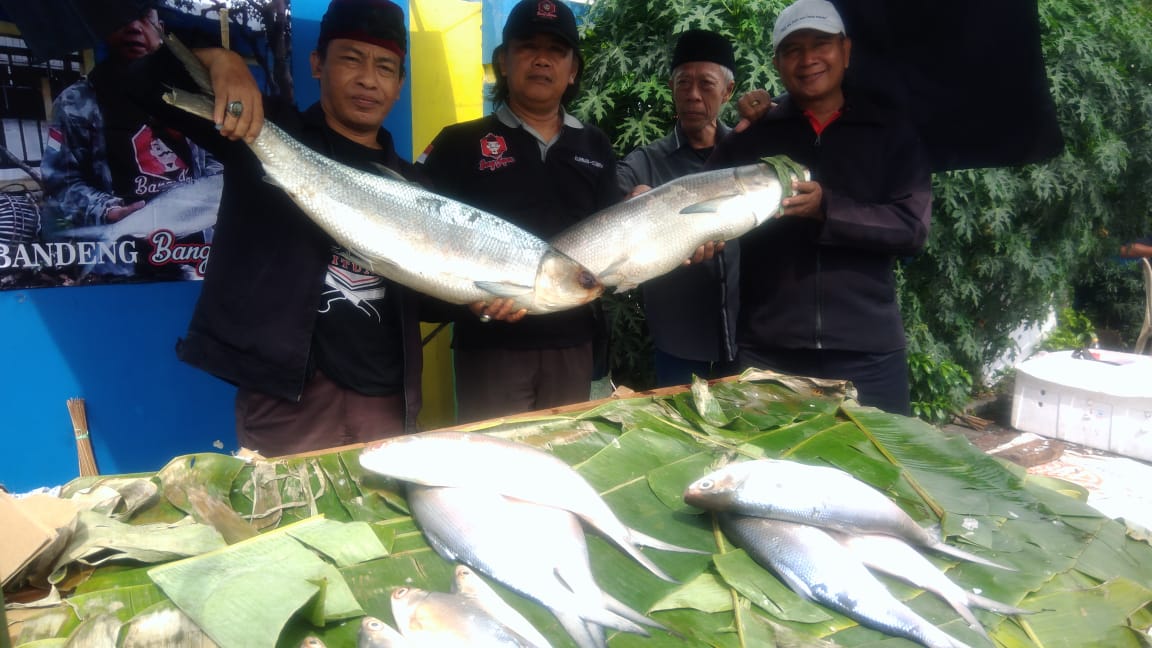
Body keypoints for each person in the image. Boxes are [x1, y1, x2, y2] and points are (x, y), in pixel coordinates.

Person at [120, 0, 516, 455]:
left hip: (384, 399)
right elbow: (140, 84)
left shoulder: (415, 186)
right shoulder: (261, 130)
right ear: (316, 63)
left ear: (400, 82)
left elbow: (422, 296)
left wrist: (481, 301)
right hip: (287, 397)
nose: (369, 79)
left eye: (385, 67)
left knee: (377, 524)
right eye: (351, 58)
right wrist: (220, 60)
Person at [708, 0, 932, 415]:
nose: (808, 59)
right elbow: (705, 209)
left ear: (845, 51)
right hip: (769, 348)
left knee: (874, 472)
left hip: (867, 351)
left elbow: (912, 228)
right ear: (777, 62)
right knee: (768, 470)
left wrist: (828, 209)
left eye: (820, 44)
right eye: (793, 49)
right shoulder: (754, 135)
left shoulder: (890, 132)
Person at [416, 0, 623, 423]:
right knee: (492, 468)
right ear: (504, 62)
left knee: (562, 456)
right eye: (527, 46)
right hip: (491, 346)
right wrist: (468, 298)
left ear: (573, 71)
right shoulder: (458, 145)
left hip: (572, 345)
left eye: (557, 51)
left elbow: (616, 240)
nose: (542, 59)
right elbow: (419, 238)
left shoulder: (596, 147)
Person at [41, 3, 222, 277]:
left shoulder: (195, 96)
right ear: (103, 30)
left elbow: (220, 163)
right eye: (121, 18)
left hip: (198, 257)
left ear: (160, 29)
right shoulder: (75, 103)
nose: (134, 27)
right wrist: (109, 209)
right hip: (121, 265)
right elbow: (62, 183)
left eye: (142, 16)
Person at [616, 29, 740, 387]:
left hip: (751, 336)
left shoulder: (749, 155)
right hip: (679, 342)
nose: (693, 95)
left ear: (728, 91)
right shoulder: (647, 161)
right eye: (683, 83)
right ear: (671, 87)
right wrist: (630, 200)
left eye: (706, 84)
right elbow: (612, 190)